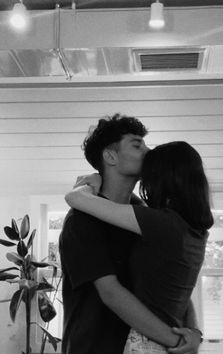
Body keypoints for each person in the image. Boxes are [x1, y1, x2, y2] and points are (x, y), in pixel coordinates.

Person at [59, 114, 203, 354]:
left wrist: (193, 331)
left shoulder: (147, 217)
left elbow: (171, 282)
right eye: (137, 145)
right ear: (110, 156)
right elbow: (111, 293)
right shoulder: (82, 221)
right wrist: (177, 340)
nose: (148, 152)